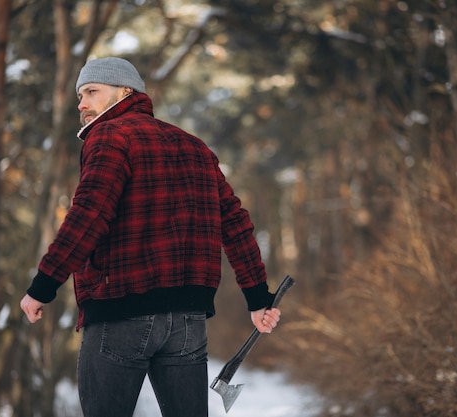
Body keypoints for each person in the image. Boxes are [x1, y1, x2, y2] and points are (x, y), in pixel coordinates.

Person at [20, 57, 281, 417]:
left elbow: (89, 215)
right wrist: (257, 297)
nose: (81, 104)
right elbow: (235, 222)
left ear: (125, 92)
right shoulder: (195, 147)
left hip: (120, 312)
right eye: (80, 95)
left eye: (92, 92)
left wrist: (43, 285)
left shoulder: (109, 137)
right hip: (188, 321)